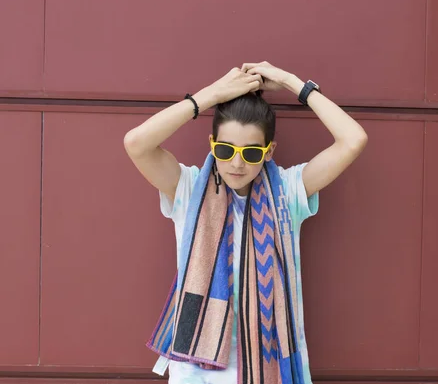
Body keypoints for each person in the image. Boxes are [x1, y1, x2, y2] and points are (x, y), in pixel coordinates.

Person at [124, 61, 368, 384]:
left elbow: (353, 140)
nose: (237, 163)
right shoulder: (190, 190)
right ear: (212, 146)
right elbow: (136, 144)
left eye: (251, 153)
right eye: (225, 150)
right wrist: (211, 95)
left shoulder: (288, 193)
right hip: (197, 372)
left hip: (271, 372)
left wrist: (291, 81)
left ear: (269, 152)